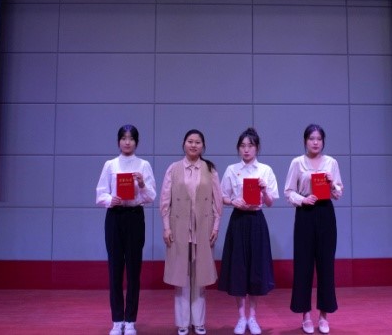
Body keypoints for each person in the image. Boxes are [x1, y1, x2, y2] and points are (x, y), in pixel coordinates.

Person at [160, 129, 223, 335]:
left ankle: (199, 322)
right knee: (181, 278)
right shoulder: (173, 169)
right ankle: (182, 323)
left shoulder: (210, 169)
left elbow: (217, 201)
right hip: (179, 229)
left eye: (197, 142)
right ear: (184, 144)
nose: (193, 145)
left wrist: (216, 226)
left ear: (203, 146)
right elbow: (165, 200)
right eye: (190, 141)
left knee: (200, 278)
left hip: (203, 229)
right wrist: (166, 227)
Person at [96, 125, 157, 335]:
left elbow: (151, 196)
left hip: (134, 217)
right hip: (114, 217)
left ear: (136, 142)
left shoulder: (144, 165)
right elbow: (100, 194)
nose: (127, 142)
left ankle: (130, 320)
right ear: (118, 142)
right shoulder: (110, 165)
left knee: (133, 269)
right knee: (114, 268)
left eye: (131, 138)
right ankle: (116, 320)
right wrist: (109, 199)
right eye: (123, 138)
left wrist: (141, 184)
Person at [218, 127, 279, 335]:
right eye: (242, 146)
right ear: (238, 148)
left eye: (250, 146)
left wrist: (264, 190)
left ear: (257, 148)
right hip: (238, 221)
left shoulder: (265, 170)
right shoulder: (231, 169)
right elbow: (222, 196)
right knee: (239, 268)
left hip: (256, 221)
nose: (246, 150)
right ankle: (241, 318)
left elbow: (270, 202)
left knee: (256, 269)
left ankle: (253, 317)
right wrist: (233, 201)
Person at [284, 124, 343, 335]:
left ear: (323, 141)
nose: (315, 142)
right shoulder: (297, 163)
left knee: (326, 266)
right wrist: (303, 199)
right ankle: (306, 316)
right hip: (305, 214)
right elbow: (288, 191)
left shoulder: (331, 163)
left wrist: (332, 184)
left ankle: (324, 317)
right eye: (311, 138)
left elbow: (338, 193)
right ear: (305, 141)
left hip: (325, 213)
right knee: (303, 266)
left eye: (318, 139)